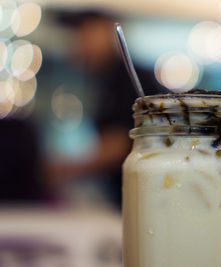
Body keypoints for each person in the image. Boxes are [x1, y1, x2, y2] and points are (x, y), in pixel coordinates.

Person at [46, 10, 168, 208]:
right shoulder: (107, 79)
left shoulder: (128, 78)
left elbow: (119, 143)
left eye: (85, 32)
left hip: (146, 194)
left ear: (107, 30)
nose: (78, 43)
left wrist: (63, 168)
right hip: (133, 191)